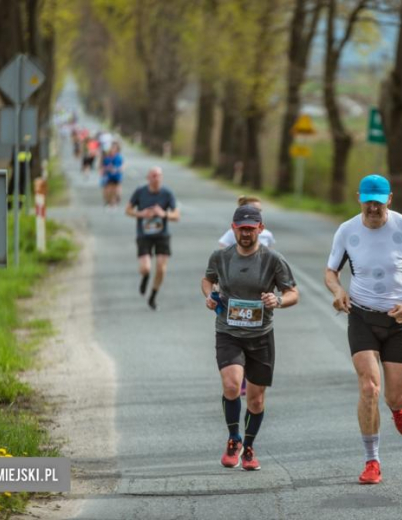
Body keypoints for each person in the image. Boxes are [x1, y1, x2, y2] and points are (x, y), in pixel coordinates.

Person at [324, 174, 402, 485]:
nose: (373, 207)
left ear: (389, 199)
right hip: (361, 316)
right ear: (359, 198)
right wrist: (337, 291)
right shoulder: (347, 231)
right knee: (369, 388)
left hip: (398, 320)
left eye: (378, 201)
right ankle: (372, 460)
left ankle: (399, 409)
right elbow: (331, 271)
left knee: (396, 397)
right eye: (368, 200)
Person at [201, 205, 299, 471]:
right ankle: (234, 439)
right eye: (241, 228)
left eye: (251, 228)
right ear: (233, 228)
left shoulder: (273, 260)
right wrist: (209, 296)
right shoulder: (220, 257)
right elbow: (208, 280)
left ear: (260, 228)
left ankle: (249, 446)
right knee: (232, 385)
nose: (246, 233)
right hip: (228, 332)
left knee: (256, 400)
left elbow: (293, 293)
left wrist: (277, 300)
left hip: (261, 336)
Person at [218, 195, 276, 396]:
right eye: (253, 209)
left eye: (259, 211)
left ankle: (249, 377)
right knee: (237, 337)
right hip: (237, 288)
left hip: (257, 292)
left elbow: (271, 258)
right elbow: (222, 257)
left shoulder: (267, 235)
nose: (256, 213)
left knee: (253, 335)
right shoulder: (231, 236)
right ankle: (238, 376)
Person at [125, 167, 180, 310]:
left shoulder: (167, 193)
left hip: (162, 235)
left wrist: (163, 214)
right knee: (145, 267)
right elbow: (128, 210)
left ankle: (153, 296)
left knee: (161, 268)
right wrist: (141, 214)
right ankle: (145, 277)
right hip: (144, 235)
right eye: (153, 176)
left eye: (159, 176)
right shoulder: (140, 192)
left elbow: (176, 215)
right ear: (148, 178)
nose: (156, 178)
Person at [100, 142, 124, 209]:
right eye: (111, 148)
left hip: (117, 176)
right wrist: (105, 169)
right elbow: (103, 166)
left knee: (116, 189)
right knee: (109, 190)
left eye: (114, 148)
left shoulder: (119, 157)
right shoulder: (107, 158)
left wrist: (118, 169)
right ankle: (109, 202)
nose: (112, 150)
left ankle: (115, 201)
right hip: (108, 176)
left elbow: (122, 166)